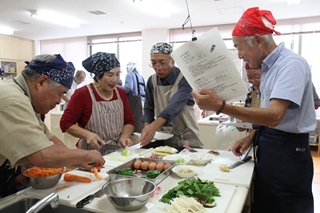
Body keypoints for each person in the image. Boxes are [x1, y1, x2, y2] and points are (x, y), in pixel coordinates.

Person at [192, 7, 315, 213]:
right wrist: (251, 137)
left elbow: (275, 115)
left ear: (258, 40)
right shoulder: (270, 68)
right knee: (266, 203)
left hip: (288, 152)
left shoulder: (290, 65)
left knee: (286, 206)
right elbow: (269, 115)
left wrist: (221, 107)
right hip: (270, 144)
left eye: (239, 47)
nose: (239, 55)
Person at [0, 54, 105, 198]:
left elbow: (48, 138)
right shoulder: (14, 101)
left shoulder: (23, 97)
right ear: (41, 82)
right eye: (60, 93)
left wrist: (78, 160)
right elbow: (43, 155)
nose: (58, 101)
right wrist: (86, 154)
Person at [60, 52, 135, 155]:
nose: (115, 79)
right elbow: (65, 123)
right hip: (90, 153)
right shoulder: (83, 94)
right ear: (98, 76)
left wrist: (124, 136)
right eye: (110, 75)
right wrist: (87, 135)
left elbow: (129, 121)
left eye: (117, 74)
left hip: (117, 152)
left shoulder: (120, 93)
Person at [140, 42, 203, 150]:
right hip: (164, 137)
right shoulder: (152, 81)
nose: (158, 68)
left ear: (173, 60)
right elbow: (149, 107)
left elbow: (174, 105)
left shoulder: (185, 78)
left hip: (186, 134)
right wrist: (147, 128)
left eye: (162, 62)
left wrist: (154, 126)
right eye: (154, 63)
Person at [122, 61, 146, 133]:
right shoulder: (141, 77)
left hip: (134, 100)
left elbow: (128, 88)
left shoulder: (129, 75)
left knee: (133, 119)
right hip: (143, 100)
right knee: (140, 120)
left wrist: (118, 88)